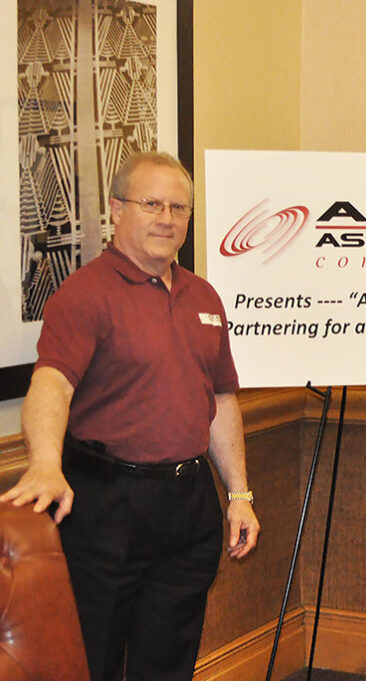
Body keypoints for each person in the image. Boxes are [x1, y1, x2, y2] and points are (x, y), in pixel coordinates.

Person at [0, 151, 260, 681]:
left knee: (169, 659)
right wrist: (45, 463)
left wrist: (238, 494)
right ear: (116, 210)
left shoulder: (203, 296)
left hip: (188, 506)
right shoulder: (86, 294)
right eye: (152, 204)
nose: (167, 218)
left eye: (179, 208)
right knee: (91, 657)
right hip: (105, 507)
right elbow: (51, 382)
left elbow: (221, 399)